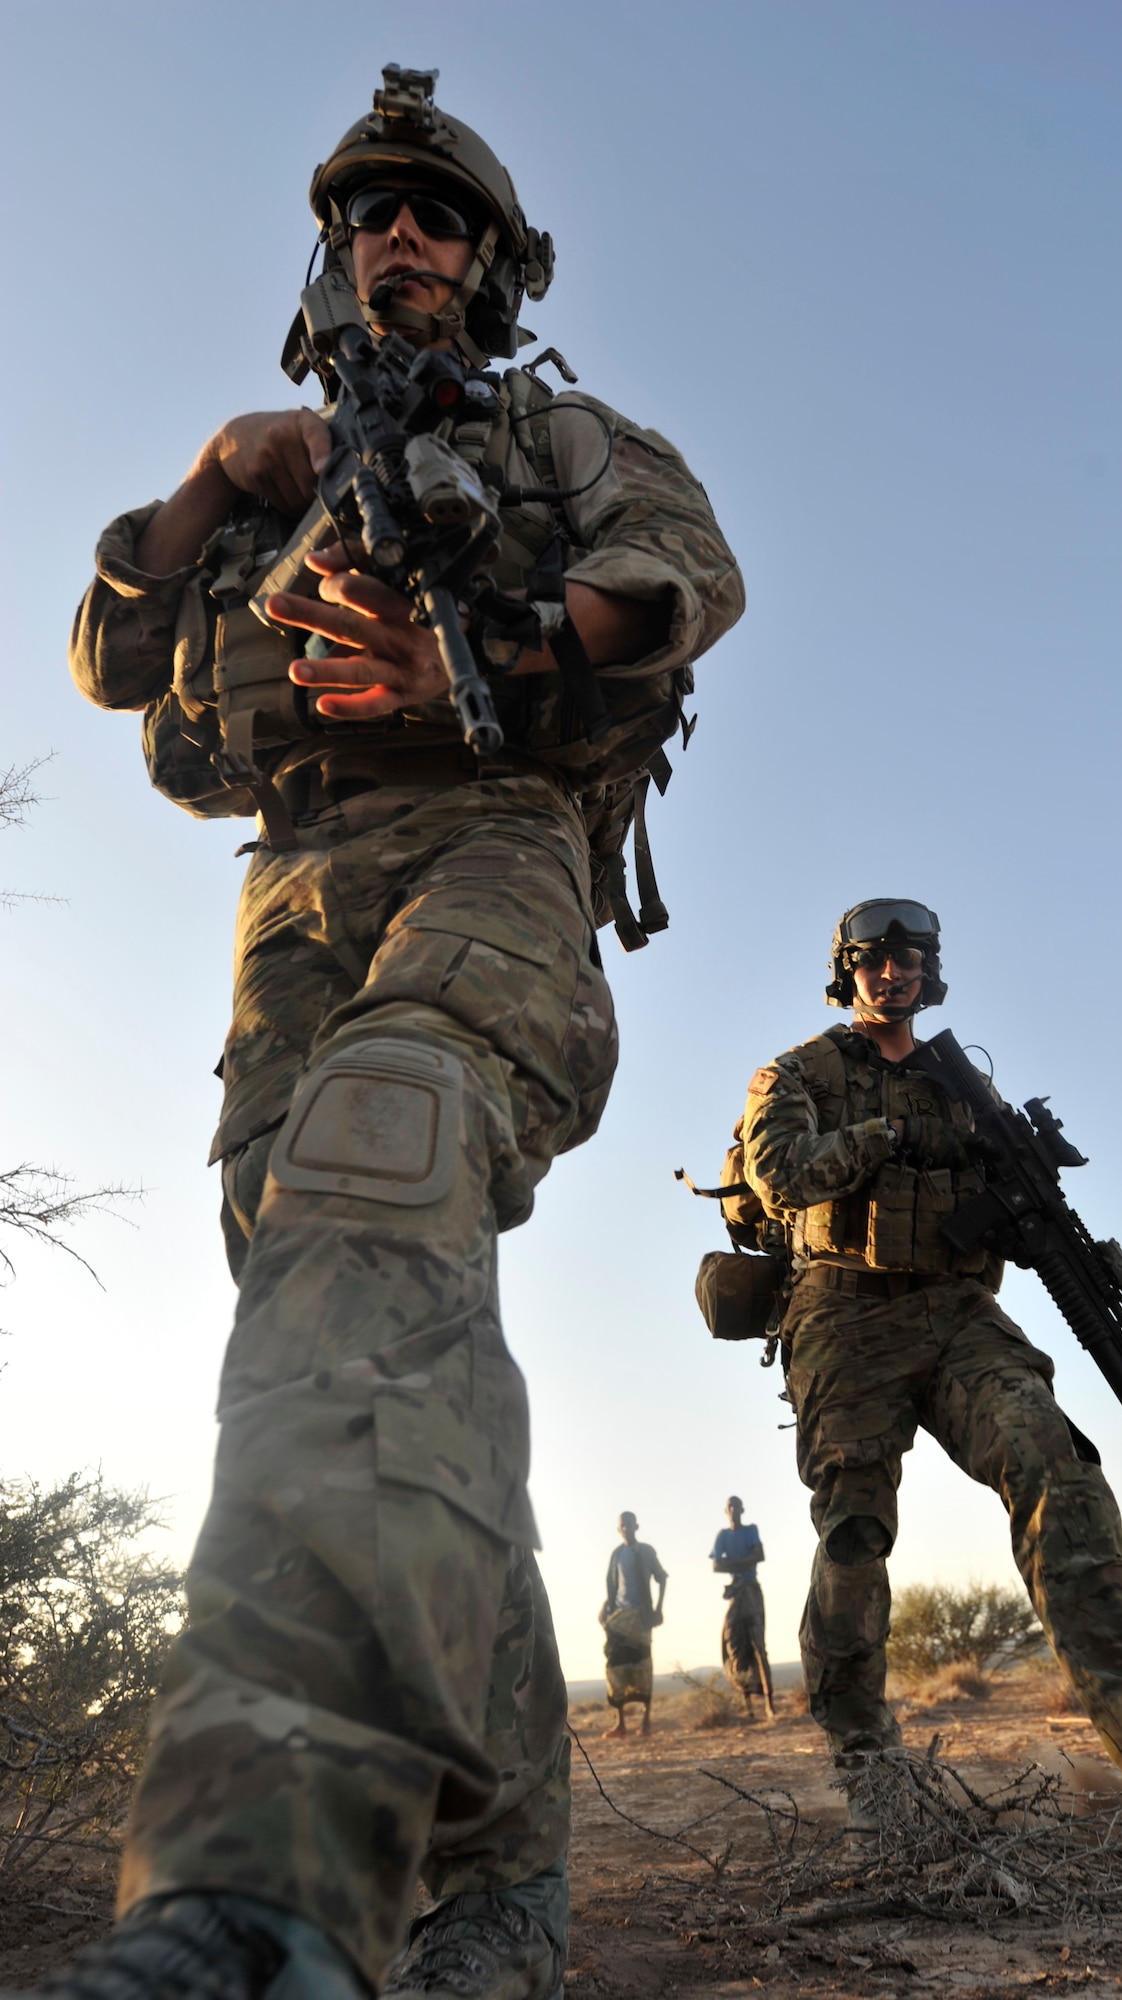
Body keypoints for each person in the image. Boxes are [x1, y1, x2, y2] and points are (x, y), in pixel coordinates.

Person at [56, 64, 742, 2000]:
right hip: (290, 897)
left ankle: (265, 1895)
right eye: (369, 214)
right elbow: (119, 667)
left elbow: (682, 583)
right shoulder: (256, 454)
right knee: (338, 1334)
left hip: (496, 842)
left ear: (495, 265)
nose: (398, 240)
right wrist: (210, 483)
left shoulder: (563, 436)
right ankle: (500, 1895)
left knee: (382, 1161)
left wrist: (502, 643)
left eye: (436, 217)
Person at [738, 897, 1122, 1834]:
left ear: (929, 970)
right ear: (848, 971)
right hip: (842, 1309)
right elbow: (779, 1174)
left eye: (909, 958)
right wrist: (891, 1138)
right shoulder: (797, 1071)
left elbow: (1016, 1197)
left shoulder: (963, 1087)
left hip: (959, 1313)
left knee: (1057, 1469)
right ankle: (868, 1765)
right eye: (874, 960)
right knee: (855, 1528)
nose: (893, 973)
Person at [599, 1513, 667, 1737]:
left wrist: (657, 1609)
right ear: (618, 1530)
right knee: (616, 1665)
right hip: (619, 1616)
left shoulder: (646, 1551)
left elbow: (662, 1577)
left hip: (641, 1616)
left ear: (636, 1526)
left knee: (643, 1665)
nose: (626, 1528)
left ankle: (646, 1722)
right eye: (622, 1526)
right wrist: (605, 1607)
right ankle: (621, 1725)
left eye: (629, 1524)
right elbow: (612, 1585)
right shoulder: (616, 1555)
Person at [710, 1496, 776, 1720]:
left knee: (758, 1644)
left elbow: (760, 1556)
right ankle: (747, 1706)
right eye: (730, 1506)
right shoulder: (723, 1536)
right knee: (735, 1645)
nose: (734, 1510)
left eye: (737, 1506)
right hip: (736, 1592)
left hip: (750, 1589)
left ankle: (769, 1703)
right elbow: (716, 1565)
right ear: (725, 1511)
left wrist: (734, 1564)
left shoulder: (751, 1530)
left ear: (742, 1509)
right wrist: (745, 1562)